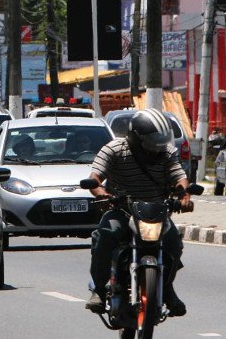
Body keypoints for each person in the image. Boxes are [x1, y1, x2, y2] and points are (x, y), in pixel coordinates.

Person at [84, 108, 192, 317]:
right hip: (121, 210)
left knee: (173, 244)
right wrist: (101, 194)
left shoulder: (167, 152)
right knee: (105, 236)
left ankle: (167, 289)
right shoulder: (114, 149)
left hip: (156, 212)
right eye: (152, 143)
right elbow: (95, 178)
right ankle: (98, 289)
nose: (156, 148)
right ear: (136, 138)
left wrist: (184, 196)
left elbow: (179, 177)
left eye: (160, 142)